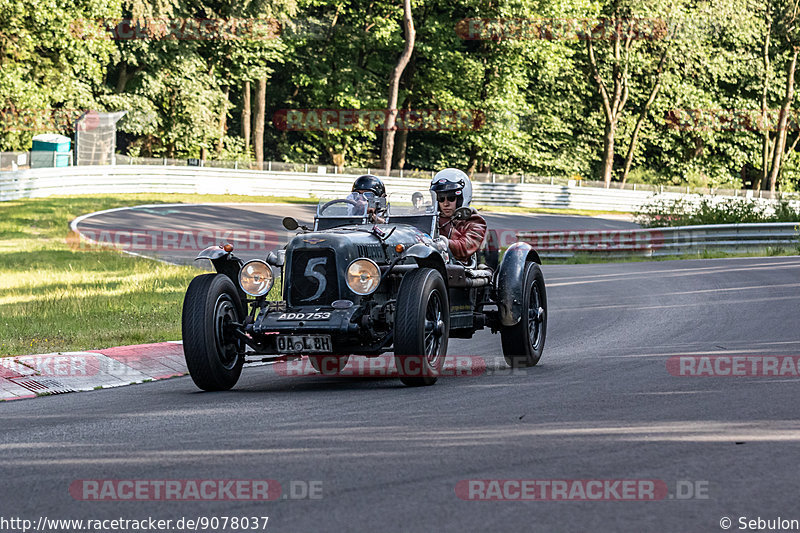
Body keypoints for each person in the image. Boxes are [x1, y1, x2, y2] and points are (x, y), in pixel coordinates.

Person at [430, 168, 487, 263]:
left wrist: (446, 243)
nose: (445, 203)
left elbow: (466, 246)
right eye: (441, 198)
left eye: (451, 198)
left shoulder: (475, 221)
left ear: (461, 199)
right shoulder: (430, 218)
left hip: (459, 268)